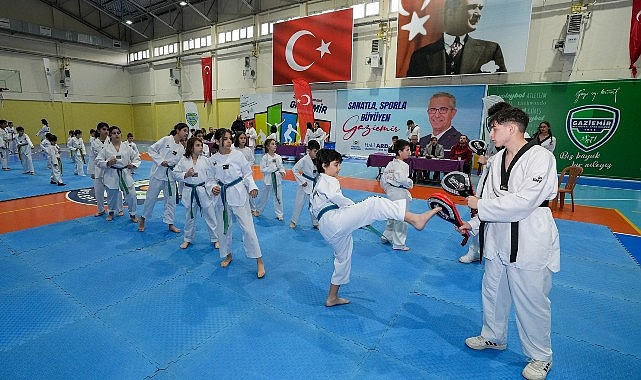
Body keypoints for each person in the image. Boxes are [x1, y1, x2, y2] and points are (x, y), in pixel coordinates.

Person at [456, 107, 559, 380]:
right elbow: (486, 198)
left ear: (511, 128)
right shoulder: (497, 159)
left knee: (531, 300)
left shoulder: (541, 157)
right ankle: (493, 336)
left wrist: (481, 206)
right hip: (498, 235)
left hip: (529, 236)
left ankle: (540, 356)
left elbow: (525, 202)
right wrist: (474, 223)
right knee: (493, 291)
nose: (491, 134)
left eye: (494, 128)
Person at [311, 148, 442, 307]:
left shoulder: (318, 181)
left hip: (328, 227)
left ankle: (332, 297)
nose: (339, 168)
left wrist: (355, 218)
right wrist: (354, 211)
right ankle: (415, 219)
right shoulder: (328, 179)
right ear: (325, 165)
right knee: (374, 203)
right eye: (336, 164)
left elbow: (320, 205)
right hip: (333, 221)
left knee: (343, 259)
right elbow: (336, 197)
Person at [458, 100, 511, 264]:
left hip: (503, 193)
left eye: (495, 127)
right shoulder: (495, 139)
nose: (492, 132)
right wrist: (487, 161)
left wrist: (488, 161)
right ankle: (475, 250)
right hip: (486, 184)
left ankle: (489, 250)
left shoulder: (521, 145)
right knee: (479, 215)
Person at [209, 128, 265, 279]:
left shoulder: (238, 155)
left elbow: (247, 173)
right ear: (217, 141)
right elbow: (210, 179)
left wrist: (252, 186)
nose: (228, 141)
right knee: (223, 228)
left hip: (238, 193)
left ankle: (259, 260)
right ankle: (228, 255)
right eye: (225, 139)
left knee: (248, 228)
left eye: (229, 138)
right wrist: (212, 187)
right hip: (222, 196)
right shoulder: (212, 159)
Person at [406, 0, 506, 77]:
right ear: (450, 12)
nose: (478, 13)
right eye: (472, 7)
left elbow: (500, 87)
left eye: (480, 8)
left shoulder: (491, 50)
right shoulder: (421, 55)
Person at [138, 123, 189, 233]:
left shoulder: (181, 148)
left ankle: (170, 223)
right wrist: (161, 161)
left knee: (170, 201)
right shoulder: (166, 140)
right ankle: (143, 218)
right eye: (184, 130)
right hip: (158, 174)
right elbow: (151, 149)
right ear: (177, 130)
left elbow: (181, 163)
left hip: (170, 176)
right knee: (151, 198)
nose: (186, 133)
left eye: (187, 131)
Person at [173, 137, 219, 249]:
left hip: (203, 190)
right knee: (189, 217)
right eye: (197, 145)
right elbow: (175, 173)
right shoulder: (184, 160)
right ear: (191, 147)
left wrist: (212, 187)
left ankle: (216, 238)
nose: (200, 147)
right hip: (189, 191)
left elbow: (212, 176)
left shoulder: (206, 160)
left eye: (201, 145)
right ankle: (187, 238)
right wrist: (185, 174)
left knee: (210, 215)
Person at [96, 126, 140, 222]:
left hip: (125, 173)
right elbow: (98, 161)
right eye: (114, 133)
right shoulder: (106, 148)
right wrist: (107, 163)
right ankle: (111, 212)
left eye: (118, 133)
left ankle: (132, 214)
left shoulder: (127, 147)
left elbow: (137, 157)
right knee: (112, 195)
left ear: (121, 134)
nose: (116, 135)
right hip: (112, 173)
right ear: (110, 135)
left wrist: (132, 164)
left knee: (132, 194)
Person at [380, 139, 414, 251]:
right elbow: (401, 179)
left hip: (391, 191)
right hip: (400, 193)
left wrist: (388, 189)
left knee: (392, 215)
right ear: (400, 152)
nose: (409, 152)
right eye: (407, 150)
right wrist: (410, 182)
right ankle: (399, 244)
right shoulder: (403, 165)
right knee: (401, 218)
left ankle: (386, 236)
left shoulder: (390, 163)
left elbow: (383, 180)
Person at [289, 139, 320, 229]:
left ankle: (315, 222)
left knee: (314, 204)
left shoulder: (318, 160)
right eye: (314, 151)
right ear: (309, 151)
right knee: (299, 203)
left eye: (317, 151)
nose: (316, 153)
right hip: (305, 183)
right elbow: (294, 169)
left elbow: (320, 173)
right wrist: (302, 181)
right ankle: (293, 221)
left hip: (314, 184)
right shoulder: (304, 160)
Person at [253, 138, 286, 220]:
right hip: (268, 180)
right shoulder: (265, 157)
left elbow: (281, 167)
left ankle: (280, 214)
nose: (275, 145)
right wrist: (272, 168)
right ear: (268, 147)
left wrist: (282, 172)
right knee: (264, 197)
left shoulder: (278, 157)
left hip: (277, 179)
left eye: (275, 144)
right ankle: (258, 210)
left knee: (278, 197)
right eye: (272, 144)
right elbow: (262, 169)